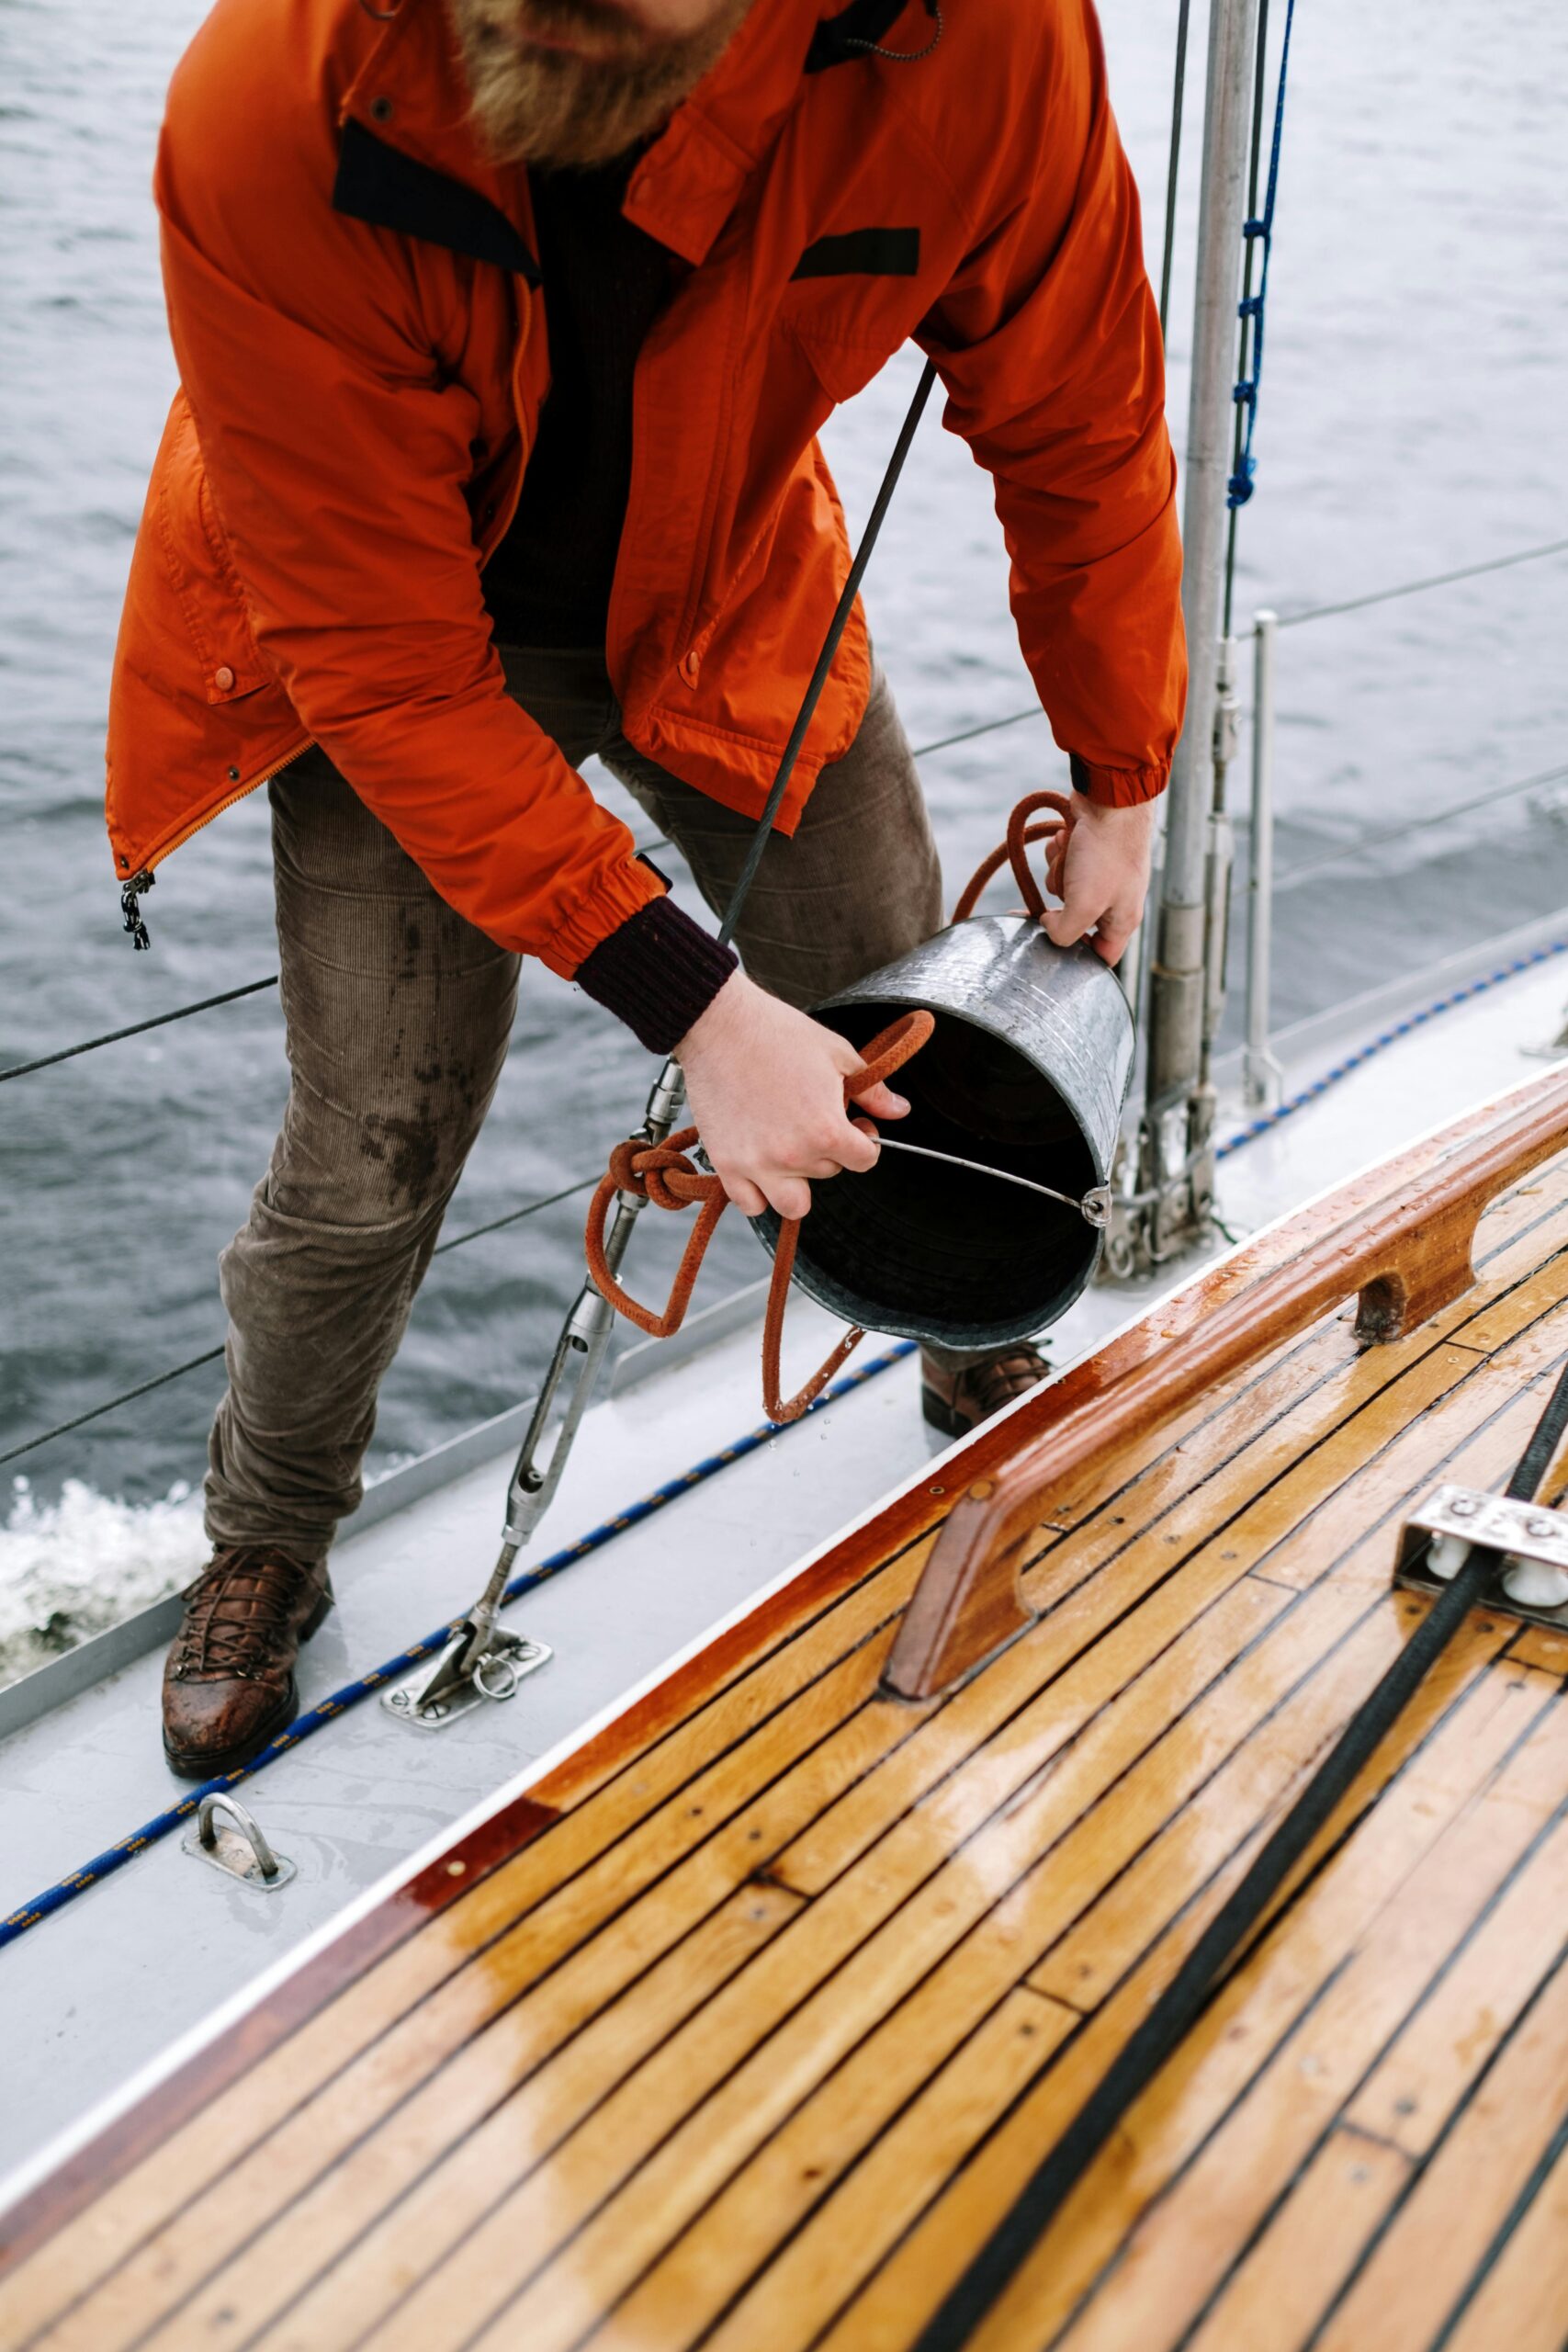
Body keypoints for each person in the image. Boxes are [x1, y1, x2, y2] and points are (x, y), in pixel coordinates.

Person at [109, 0, 1185, 1776]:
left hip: (733, 595)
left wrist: (1121, 770)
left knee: (911, 1024)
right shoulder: (273, 99)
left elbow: (1079, 417)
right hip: (398, 646)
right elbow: (389, 676)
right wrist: (700, 1009)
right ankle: (271, 1533)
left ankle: (955, 1332)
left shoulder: (987, 38)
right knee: (373, 1140)